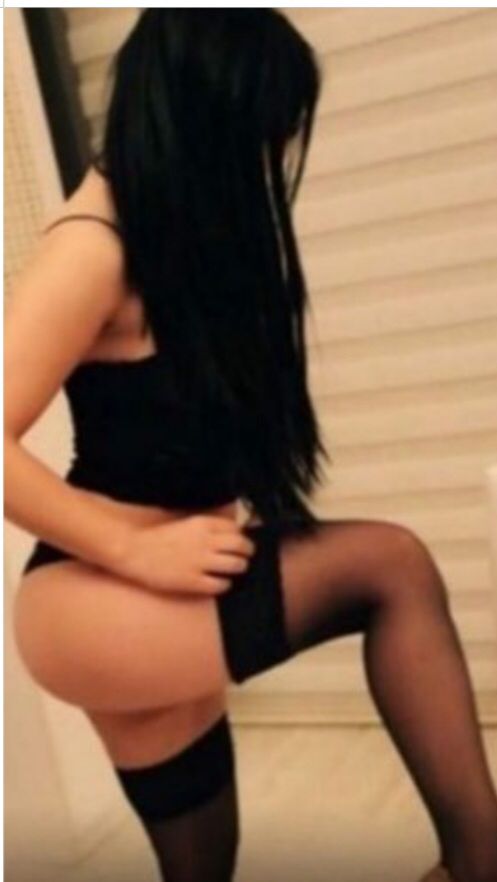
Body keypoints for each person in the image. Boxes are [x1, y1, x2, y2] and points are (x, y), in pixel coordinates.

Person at [5, 10, 497, 882]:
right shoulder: (92, 247)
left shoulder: (164, 236)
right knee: (392, 567)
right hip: (98, 595)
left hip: (150, 597)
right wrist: (131, 548)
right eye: (262, 134)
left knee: (202, 867)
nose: (272, 159)